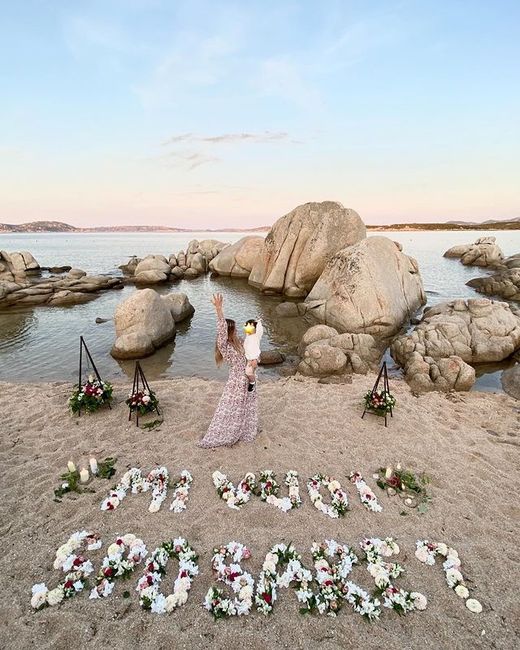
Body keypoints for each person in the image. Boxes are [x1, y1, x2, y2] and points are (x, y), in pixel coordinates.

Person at [198, 293, 258, 448]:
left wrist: (255, 361)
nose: (236, 331)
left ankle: (244, 430)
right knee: (233, 406)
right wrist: (219, 310)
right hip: (237, 380)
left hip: (249, 377)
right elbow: (222, 329)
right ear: (228, 332)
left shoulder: (240, 343)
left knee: (247, 405)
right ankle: (228, 432)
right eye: (234, 329)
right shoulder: (225, 347)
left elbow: (254, 350)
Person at [243, 318, 263, 392]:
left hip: (254, 358)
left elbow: (260, 330)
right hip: (249, 358)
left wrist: (258, 322)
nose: (246, 328)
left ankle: (252, 383)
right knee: (249, 372)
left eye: (248, 326)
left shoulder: (256, 336)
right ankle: (252, 380)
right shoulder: (248, 335)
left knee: (248, 372)